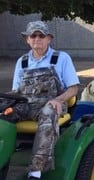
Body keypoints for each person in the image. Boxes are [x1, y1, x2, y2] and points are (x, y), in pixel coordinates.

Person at [2, 21, 80, 179]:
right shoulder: (22, 61)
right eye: (33, 35)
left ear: (49, 39)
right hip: (26, 104)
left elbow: (74, 88)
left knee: (47, 112)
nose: (37, 38)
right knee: (3, 115)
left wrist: (59, 100)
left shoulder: (61, 58)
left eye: (41, 35)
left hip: (51, 104)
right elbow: (16, 91)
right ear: (27, 40)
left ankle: (35, 171)